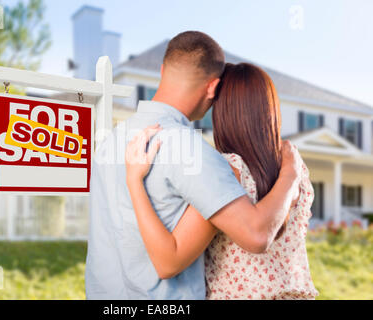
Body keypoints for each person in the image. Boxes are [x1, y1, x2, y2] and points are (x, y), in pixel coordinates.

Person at [85, 31, 302, 300]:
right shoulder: (191, 151)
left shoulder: (110, 142)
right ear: (213, 88)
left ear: (163, 70)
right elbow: (257, 235)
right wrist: (291, 173)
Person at [125, 63, 318, 300]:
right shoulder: (295, 167)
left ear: (223, 112)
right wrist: (290, 174)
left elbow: (168, 261)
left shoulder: (228, 170)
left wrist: (134, 180)